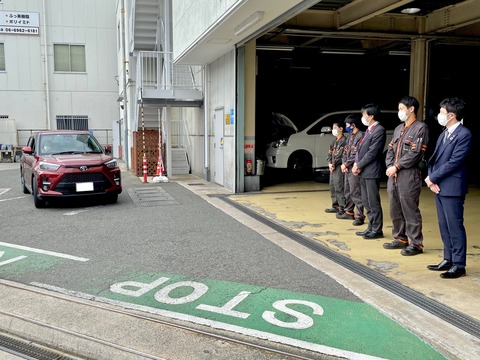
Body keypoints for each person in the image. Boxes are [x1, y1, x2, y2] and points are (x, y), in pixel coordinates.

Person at [424, 97, 472, 279]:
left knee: (455, 226)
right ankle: (448, 258)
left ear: (451, 115)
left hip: (452, 187)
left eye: (442, 112)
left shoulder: (464, 134)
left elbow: (454, 162)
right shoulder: (445, 133)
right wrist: (431, 179)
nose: (439, 115)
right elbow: (434, 158)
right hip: (439, 186)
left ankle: (459, 264)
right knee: (444, 225)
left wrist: (432, 178)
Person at [383, 96, 429, 256]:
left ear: (411, 109)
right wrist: (390, 165)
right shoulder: (398, 129)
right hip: (394, 175)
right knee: (395, 207)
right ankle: (400, 238)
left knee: (410, 208)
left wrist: (396, 166)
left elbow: (415, 153)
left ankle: (416, 243)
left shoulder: (420, 128)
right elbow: (390, 150)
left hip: (409, 174)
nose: (399, 112)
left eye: (402, 108)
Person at [352, 104, 386, 239]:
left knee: (373, 201)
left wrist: (359, 165)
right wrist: (356, 164)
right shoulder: (369, 130)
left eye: (364, 115)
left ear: (371, 116)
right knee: (366, 201)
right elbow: (361, 150)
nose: (362, 117)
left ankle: (377, 229)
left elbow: (373, 153)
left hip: (372, 171)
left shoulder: (379, 130)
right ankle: (371, 227)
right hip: (364, 171)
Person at [338, 114, 365, 225]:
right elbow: (345, 152)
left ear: (353, 125)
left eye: (348, 125)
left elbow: (356, 154)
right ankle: (349, 212)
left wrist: (347, 163)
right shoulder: (350, 137)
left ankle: (360, 215)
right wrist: (344, 163)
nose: (346, 127)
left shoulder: (360, 136)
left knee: (356, 192)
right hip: (347, 168)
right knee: (347, 190)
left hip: (354, 168)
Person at [324, 120, 347, 214]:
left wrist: (333, 164)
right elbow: (329, 154)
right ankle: (335, 205)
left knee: (339, 186)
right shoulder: (333, 142)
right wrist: (329, 163)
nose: (333, 130)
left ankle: (343, 207)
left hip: (339, 166)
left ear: (341, 129)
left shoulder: (344, 141)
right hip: (333, 167)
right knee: (332, 186)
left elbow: (340, 155)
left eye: (335, 128)